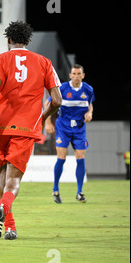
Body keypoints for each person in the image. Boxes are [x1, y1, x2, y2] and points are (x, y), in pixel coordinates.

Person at [0, 21, 62, 243]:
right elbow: (57, 100)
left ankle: (10, 226)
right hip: (25, 127)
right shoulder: (44, 63)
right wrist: (43, 117)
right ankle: (3, 209)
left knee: (2, 174)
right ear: (28, 41)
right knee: (14, 178)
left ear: (9, 40)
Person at [44, 64, 95, 204]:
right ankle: (55, 189)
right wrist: (48, 122)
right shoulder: (62, 89)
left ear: (83, 75)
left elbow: (89, 104)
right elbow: (47, 104)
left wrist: (89, 113)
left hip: (79, 128)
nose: (77, 76)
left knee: (80, 157)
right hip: (63, 126)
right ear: (70, 75)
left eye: (79, 73)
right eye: (74, 73)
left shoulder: (88, 90)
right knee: (62, 157)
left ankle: (79, 192)